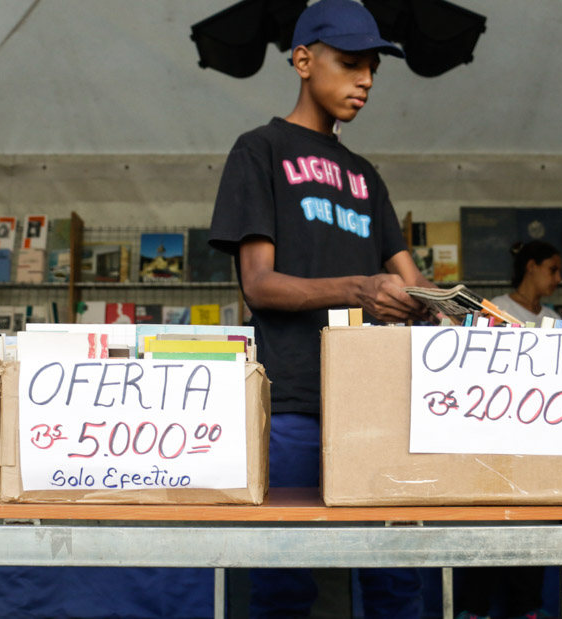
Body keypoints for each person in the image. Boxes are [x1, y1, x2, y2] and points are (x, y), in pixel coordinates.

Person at [208, 1, 432, 616]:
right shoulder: (260, 151)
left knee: (396, 578)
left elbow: (411, 281)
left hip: (377, 404)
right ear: (304, 61)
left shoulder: (366, 175)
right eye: (351, 63)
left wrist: (449, 306)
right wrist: (359, 289)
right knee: (284, 579)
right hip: (294, 400)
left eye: (373, 69)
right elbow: (259, 285)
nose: (366, 79)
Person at [489, 240, 562, 325]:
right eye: (553, 270)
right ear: (531, 266)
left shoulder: (554, 318)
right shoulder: (499, 308)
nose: (558, 279)